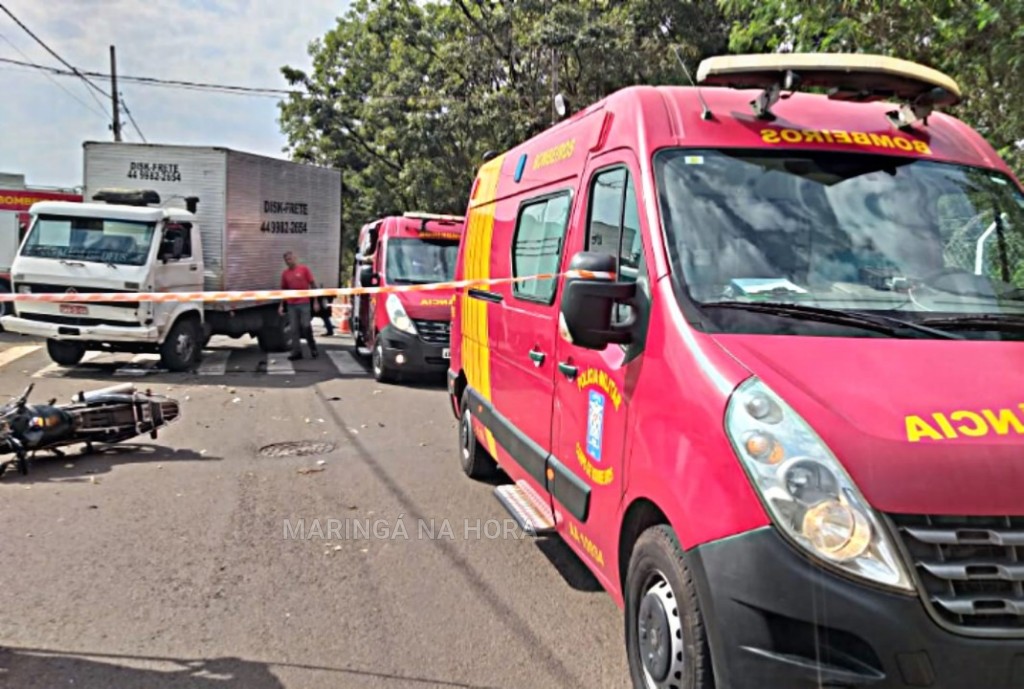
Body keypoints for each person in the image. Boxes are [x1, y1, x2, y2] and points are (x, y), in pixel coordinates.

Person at [279, 251, 320, 360]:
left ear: (295, 258)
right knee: (294, 329)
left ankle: (313, 347)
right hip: (291, 305)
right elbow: (284, 290)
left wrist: (315, 301)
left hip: (304, 303)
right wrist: (281, 305)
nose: (289, 261)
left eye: (290, 259)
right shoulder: (285, 274)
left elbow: (313, 284)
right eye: (286, 260)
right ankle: (297, 352)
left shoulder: (304, 270)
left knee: (306, 326)